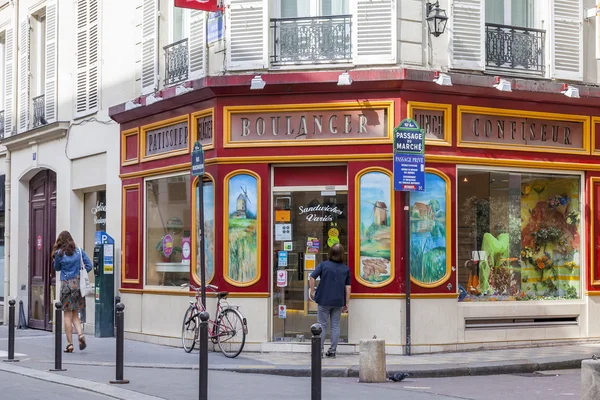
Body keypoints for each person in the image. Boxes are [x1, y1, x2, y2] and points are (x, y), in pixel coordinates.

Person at [52, 231, 93, 353]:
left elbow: (57, 268)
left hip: (66, 285)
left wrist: (57, 258)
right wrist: (80, 274)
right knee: (75, 313)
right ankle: (80, 334)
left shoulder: (60, 254)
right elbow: (89, 266)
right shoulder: (79, 251)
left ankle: (70, 344)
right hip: (78, 285)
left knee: (67, 315)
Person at [309, 243, 351, 359]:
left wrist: (312, 291)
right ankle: (332, 351)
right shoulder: (345, 269)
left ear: (330, 253)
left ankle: (319, 350)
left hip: (323, 299)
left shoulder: (324, 265)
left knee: (321, 324)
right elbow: (348, 288)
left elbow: (312, 277)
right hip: (338, 301)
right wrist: (346, 302)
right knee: (335, 325)